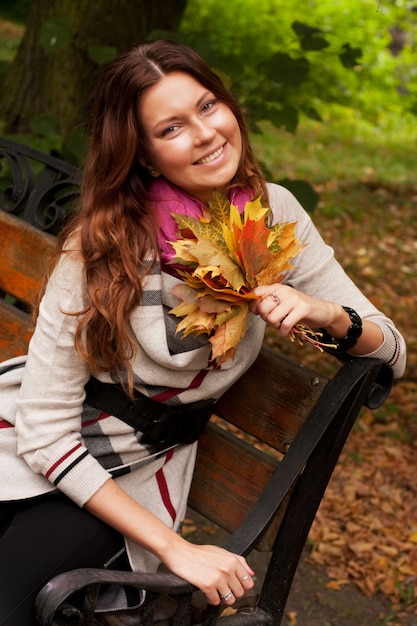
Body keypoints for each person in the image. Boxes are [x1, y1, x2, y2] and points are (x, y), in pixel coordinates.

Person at [0, 39, 406, 625]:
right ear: (141, 155)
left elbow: (391, 350)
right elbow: (43, 429)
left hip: (131, 470)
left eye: (209, 106)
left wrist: (325, 314)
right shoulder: (105, 241)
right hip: (34, 438)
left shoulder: (274, 215)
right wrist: (178, 550)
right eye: (171, 128)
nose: (205, 133)